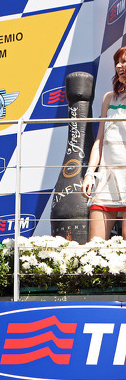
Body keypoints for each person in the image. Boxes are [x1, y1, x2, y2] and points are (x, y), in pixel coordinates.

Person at [83, 46, 126, 241]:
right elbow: (99, 139)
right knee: (96, 246)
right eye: (117, 62)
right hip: (107, 178)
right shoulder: (109, 98)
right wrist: (90, 173)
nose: (119, 66)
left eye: (124, 61)